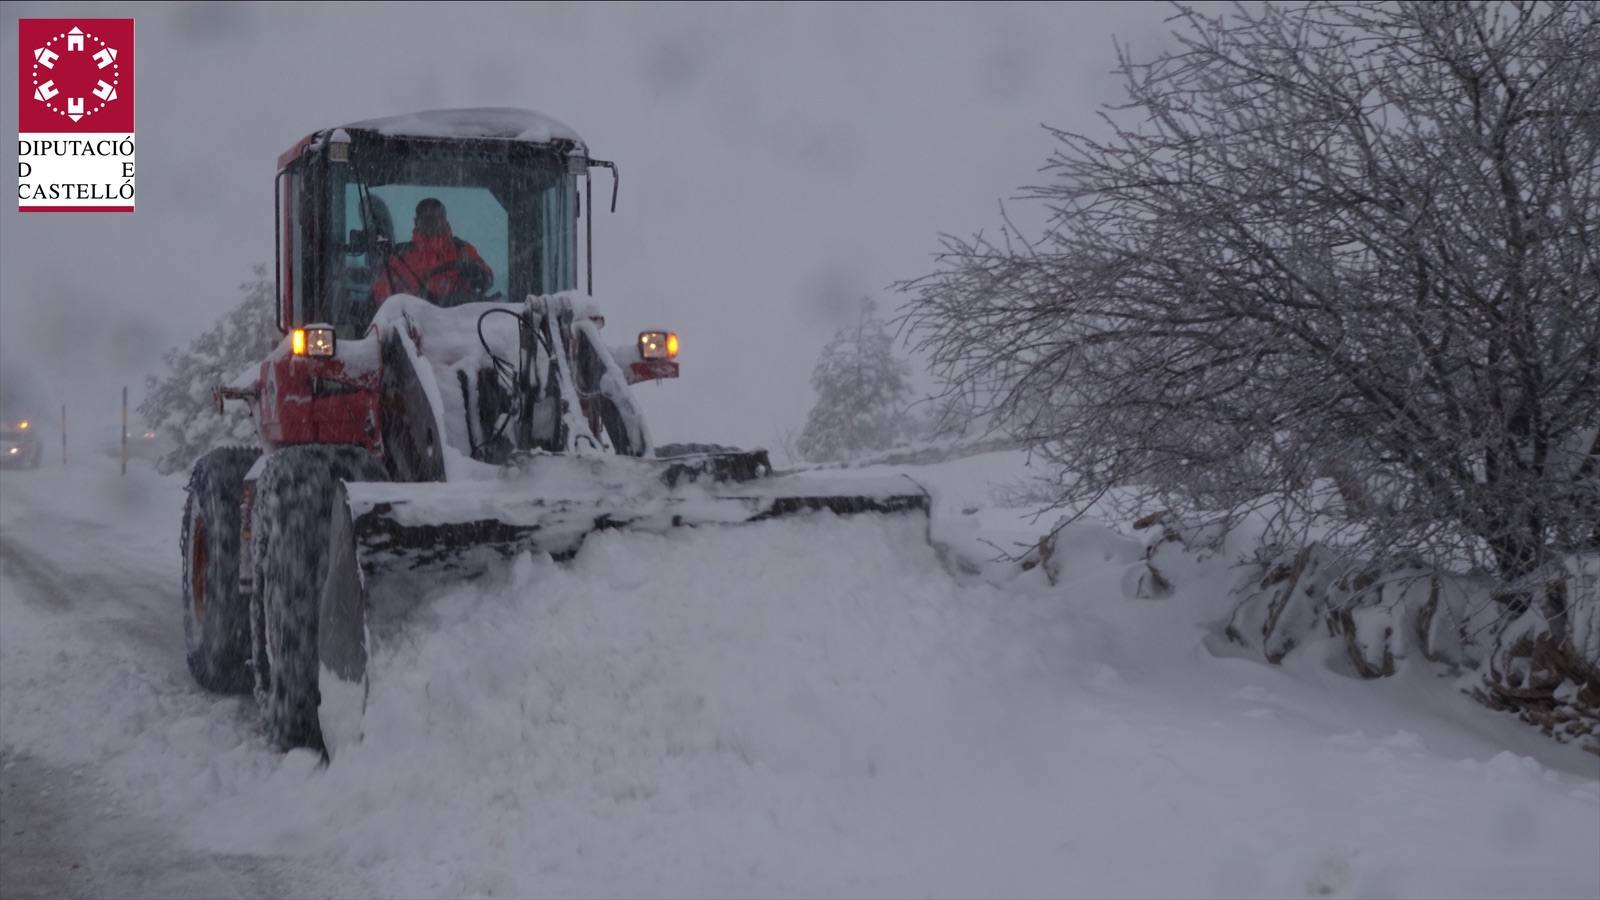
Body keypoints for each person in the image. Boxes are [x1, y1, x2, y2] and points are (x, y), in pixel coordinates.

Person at [372, 198, 494, 306]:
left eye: (436, 217)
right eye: (426, 218)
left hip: (461, 326)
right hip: (414, 328)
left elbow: (487, 279)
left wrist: (476, 273)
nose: (431, 222)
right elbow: (381, 295)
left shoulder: (462, 250)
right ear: (416, 221)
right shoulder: (399, 256)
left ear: (445, 220)